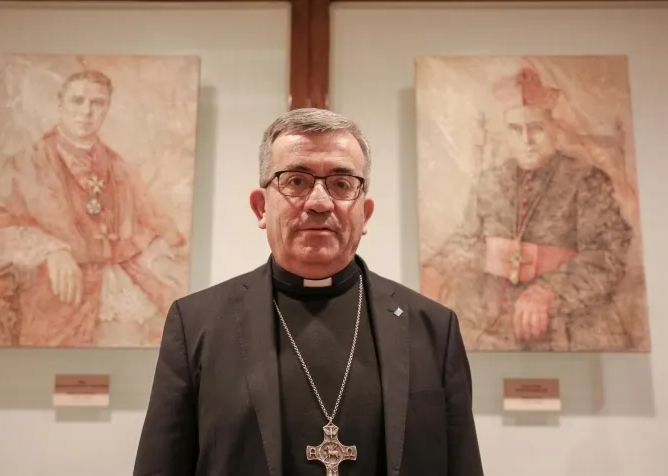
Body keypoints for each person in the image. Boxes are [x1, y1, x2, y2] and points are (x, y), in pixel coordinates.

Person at [133, 108, 484, 476]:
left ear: (365, 213)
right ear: (260, 207)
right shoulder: (196, 325)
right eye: (297, 181)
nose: (319, 202)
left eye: (341, 184)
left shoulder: (433, 329)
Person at [0, 69, 186, 347]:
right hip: (47, 300)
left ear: (107, 109)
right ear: (60, 105)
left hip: (108, 297)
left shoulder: (119, 168)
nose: (86, 112)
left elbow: (150, 224)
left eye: (97, 103)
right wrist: (49, 248)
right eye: (77, 101)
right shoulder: (25, 163)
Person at [420, 67, 635, 352]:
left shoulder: (586, 180)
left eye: (536, 128)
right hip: (493, 322)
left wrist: (549, 290)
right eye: (515, 129)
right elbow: (467, 239)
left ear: (554, 130)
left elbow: (608, 255)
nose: (526, 141)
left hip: (570, 324)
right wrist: (436, 268)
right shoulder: (491, 181)